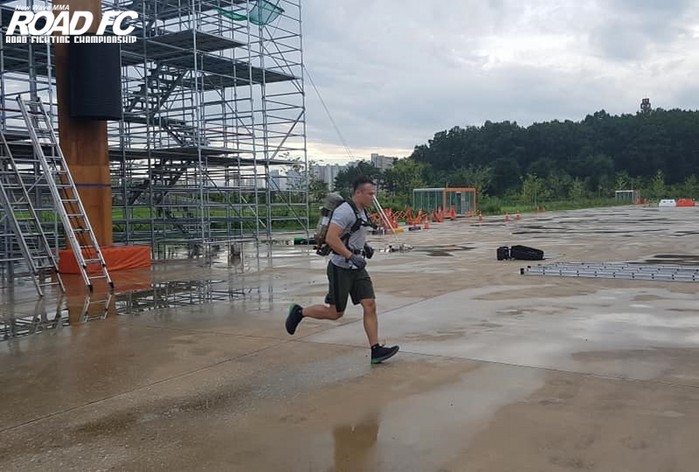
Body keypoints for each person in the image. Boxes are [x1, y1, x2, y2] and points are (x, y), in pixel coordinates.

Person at [285, 175, 399, 364]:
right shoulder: (345, 211)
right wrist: (350, 256)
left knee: (370, 304)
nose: (373, 197)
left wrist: (364, 248)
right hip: (340, 267)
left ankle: (376, 350)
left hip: (357, 267)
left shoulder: (362, 211)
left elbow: (352, 234)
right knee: (335, 313)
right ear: (359, 193)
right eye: (370, 194)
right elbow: (331, 238)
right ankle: (299, 312)